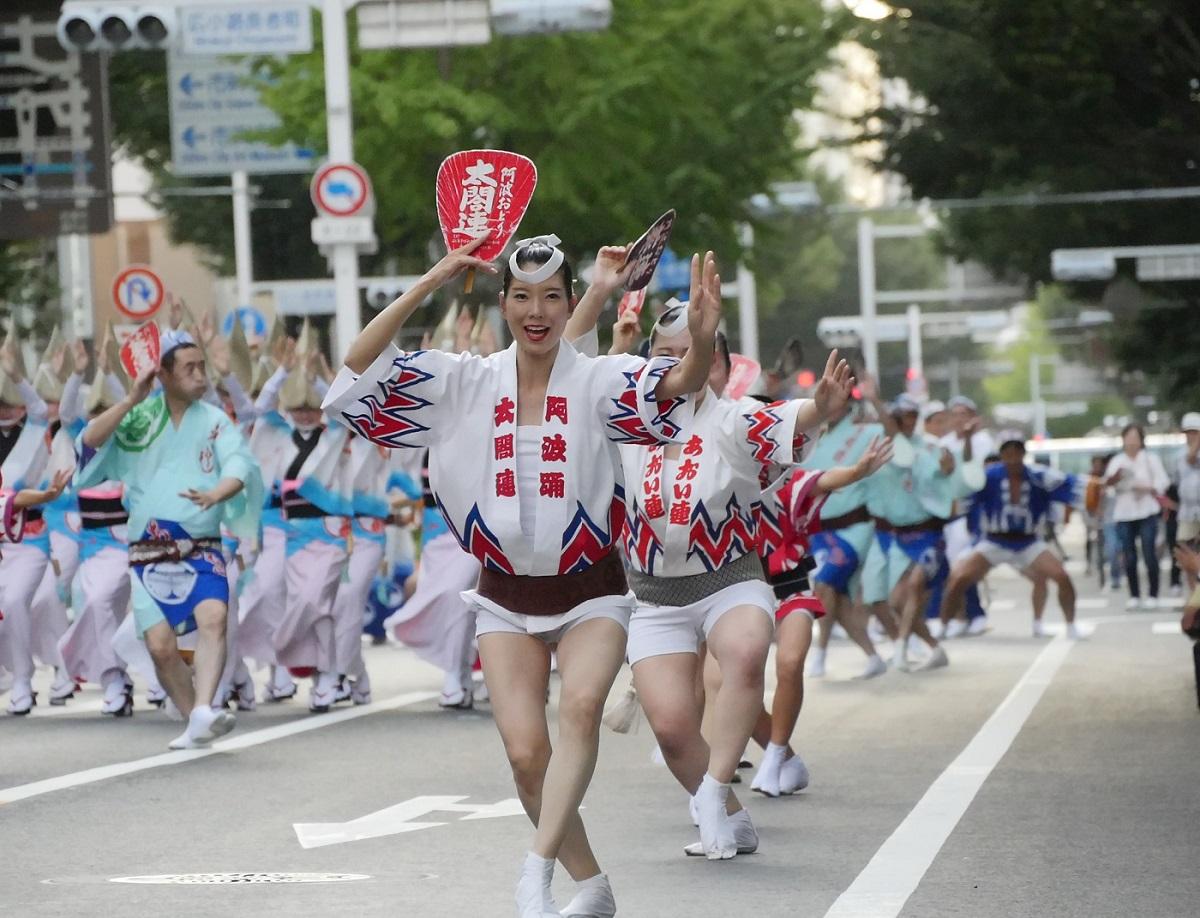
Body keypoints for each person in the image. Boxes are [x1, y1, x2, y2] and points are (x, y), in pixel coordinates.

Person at [324, 233, 720, 918]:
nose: (536, 311)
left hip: (591, 590)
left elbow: (678, 386)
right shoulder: (462, 380)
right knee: (524, 756)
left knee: (581, 709)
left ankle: (535, 870)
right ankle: (592, 884)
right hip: (504, 598)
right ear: (503, 304)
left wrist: (706, 341)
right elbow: (358, 368)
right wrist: (433, 279)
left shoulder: (599, 379)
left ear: (570, 305)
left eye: (550, 298)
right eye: (522, 297)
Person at [615, 299, 853, 861]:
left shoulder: (732, 417)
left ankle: (717, 788)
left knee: (745, 653)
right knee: (673, 730)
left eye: (690, 355)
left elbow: (782, 424)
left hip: (730, 580)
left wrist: (817, 408)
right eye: (663, 356)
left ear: (713, 364)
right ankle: (729, 816)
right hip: (653, 596)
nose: (676, 368)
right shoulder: (623, 420)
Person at [76, 330, 263, 749]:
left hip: (202, 545)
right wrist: (129, 400)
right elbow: (89, 444)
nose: (200, 375)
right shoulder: (139, 418)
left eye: (202, 366)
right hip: (149, 549)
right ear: (162, 374)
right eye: (189, 368)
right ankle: (194, 717)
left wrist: (218, 491)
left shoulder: (215, 420)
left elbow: (240, 462)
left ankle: (203, 708)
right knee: (161, 647)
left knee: (213, 618)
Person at [751, 438, 892, 797]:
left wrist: (859, 471)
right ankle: (787, 761)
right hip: (740, 595)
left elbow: (827, 480)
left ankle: (775, 755)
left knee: (790, 661)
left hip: (792, 588)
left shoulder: (793, 484)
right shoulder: (725, 485)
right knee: (734, 690)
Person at [942, 434, 1085, 638]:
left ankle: (1066, 625)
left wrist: (1096, 488)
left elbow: (1069, 483)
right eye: (1008, 454)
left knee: (1061, 576)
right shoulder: (988, 477)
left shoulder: (1038, 476)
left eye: (1017, 453)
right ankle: (946, 624)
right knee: (959, 578)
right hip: (994, 541)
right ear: (1002, 455)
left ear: (1023, 454)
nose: (1013, 458)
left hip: (1028, 542)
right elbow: (964, 493)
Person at [800, 395, 888, 679]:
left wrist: (877, 404)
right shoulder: (811, 433)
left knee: (824, 585)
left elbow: (894, 440)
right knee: (837, 603)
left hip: (854, 529)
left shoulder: (866, 430)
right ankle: (873, 656)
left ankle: (819, 654)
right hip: (818, 530)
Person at [1105, 424, 1170, 610]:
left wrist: (1147, 487)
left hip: (1146, 511)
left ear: (1141, 440)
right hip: (1124, 513)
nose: (1132, 441)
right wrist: (1119, 482)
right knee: (1129, 555)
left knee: (1149, 553)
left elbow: (1163, 482)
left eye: (1136, 437)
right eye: (1129, 437)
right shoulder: (1117, 461)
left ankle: (1153, 594)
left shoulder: (1150, 459)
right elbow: (1108, 487)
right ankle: (1134, 595)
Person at [1172, 413, 1200, 598]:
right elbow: (1188, 461)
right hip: (1187, 511)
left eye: (1195, 432)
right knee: (1186, 553)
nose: (1192, 436)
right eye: (1188, 432)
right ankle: (1194, 596)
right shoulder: (1179, 455)